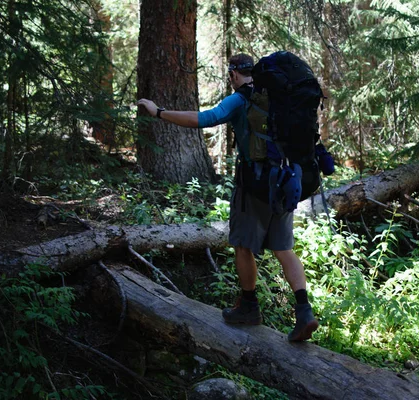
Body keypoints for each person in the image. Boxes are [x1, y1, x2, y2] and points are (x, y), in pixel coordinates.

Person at [137, 54, 319, 342]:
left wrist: (158, 112)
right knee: (284, 249)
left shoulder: (241, 99)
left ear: (234, 74)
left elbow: (204, 119)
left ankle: (248, 306)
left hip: (255, 186)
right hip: (287, 182)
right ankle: (304, 311)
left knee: (242, 246)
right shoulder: (280, 96)